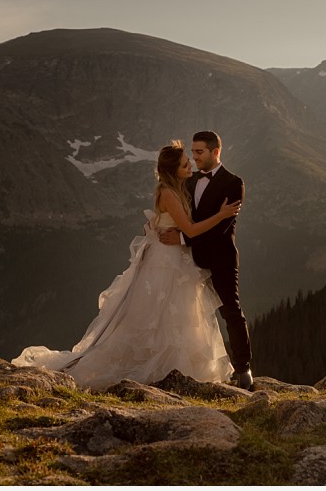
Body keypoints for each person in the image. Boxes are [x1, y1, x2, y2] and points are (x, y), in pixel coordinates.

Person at [12, 140, 241, 390]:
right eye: (186, 163)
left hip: (175, 257)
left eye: (192, 159)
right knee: (162, 313)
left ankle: (176, 366)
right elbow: (191, 230)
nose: (191, 165)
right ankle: (158, 365)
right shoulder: (167, 192)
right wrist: (221, 215)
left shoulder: (178, 187)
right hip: (166, 262)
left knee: (177, 313)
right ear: (174, 169)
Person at [159, 131, 253, 390]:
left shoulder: (234, 183)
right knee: (188, 314)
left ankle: (244, 369)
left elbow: (222, 227)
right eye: (192, 152)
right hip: (189, 261)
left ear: (215, 152)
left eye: (199, 152)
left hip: (220, 259)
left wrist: (182, 239)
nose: (194, 157)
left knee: (231, 312)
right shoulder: (188, 180)